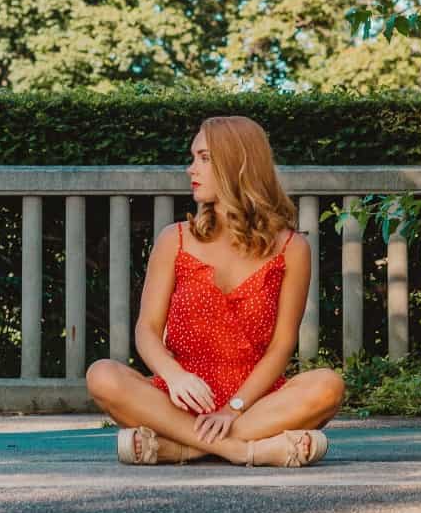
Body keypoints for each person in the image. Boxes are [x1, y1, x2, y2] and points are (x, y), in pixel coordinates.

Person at [85, 116, 344, 467]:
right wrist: (174, 376)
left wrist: (233, 408)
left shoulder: (291, 248)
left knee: (328, 385)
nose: (191, 168)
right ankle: (246, 451)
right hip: (180, 398)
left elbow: (282, 346)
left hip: (254, 401)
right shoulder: (173, 239)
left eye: (204, 158)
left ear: (239, 164)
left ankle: (177, 447)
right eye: (193, 158)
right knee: (102, 375)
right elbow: (146, 330)